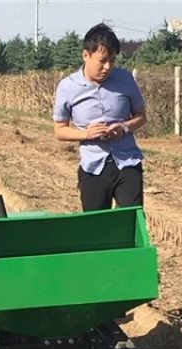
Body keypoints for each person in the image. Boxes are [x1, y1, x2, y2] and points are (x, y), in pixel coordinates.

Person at [53, 24, 147, 212]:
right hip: (93, 168)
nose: (107, 67)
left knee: (130, 221)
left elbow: (141, 116)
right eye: (102, 61)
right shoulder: (67, 87)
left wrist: (124, 128)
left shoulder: (125, 79)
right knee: (96, 226)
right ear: (86, 55)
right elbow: (59, 130)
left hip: (127, 162)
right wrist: (87, 134)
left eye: (112, 61)